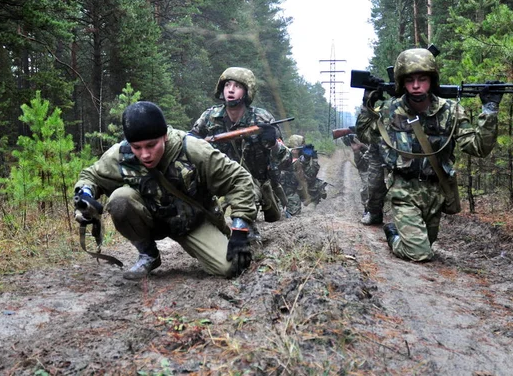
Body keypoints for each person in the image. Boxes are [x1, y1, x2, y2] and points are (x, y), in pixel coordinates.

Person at [73, 101, 259, 280]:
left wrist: (240, 228)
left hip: (191, 222)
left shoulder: (191, 149)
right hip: (151, 218)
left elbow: (239, 179)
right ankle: (148, 255)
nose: (145, 154)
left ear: (165, 136)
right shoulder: (121, 155)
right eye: (137, 147)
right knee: (120, 199)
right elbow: (90, 176)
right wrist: (85, 195)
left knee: (230, 267)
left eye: (151, 145)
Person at [356, 48, 502, 261]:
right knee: (420, 252)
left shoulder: (451, 110)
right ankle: (393, 234)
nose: (416, 86)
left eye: (422, 79)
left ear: (431, 80)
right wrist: (366, 104)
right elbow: (366, 135)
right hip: (403, 190)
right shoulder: (389, 110)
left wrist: (489, 110)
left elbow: (477, 147)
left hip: (435, 191)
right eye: (410, 80)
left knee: (427, 243)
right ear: (401, 83)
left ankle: (406, 237)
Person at [190, 67, 292, 223]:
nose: (230, 90)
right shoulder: (210, 117)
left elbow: (286, 161)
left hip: (252, 182)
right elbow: (190, 143)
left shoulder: (262, 119)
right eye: (227, 85)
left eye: (237, 86)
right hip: (220, 179)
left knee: (244, 215)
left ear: (246, 92)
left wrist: (273, 144)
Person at [281, 134, 327, 217]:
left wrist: (313, 160)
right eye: (296, 147)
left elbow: (311, 176)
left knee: (317, 184)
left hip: (301, 188)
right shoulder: (284, 156)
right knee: (290, 213)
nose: (297, 150)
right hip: (287, 190)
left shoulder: (304, 157)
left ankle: (311, 205)